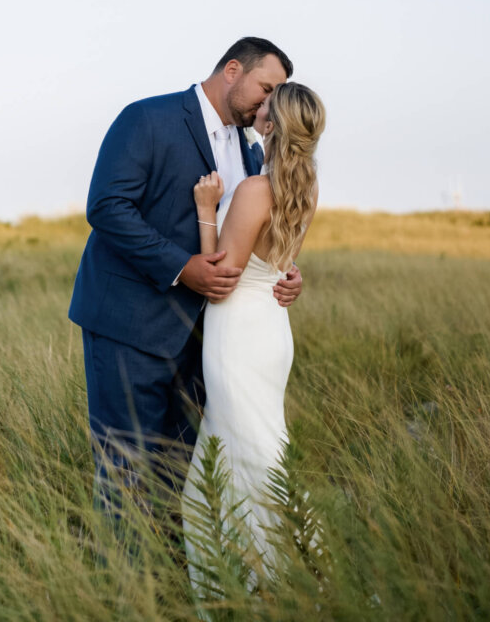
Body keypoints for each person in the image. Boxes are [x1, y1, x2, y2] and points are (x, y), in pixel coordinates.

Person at [68, 38, 304, 506]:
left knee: (184, 476)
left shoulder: (253, 153)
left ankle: (173, 576)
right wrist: (181, 267)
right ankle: (118, 580)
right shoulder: (147, 118)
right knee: (124, 471)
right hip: (130, 329)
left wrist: (284, 269)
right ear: (233, 70)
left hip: (208, 344)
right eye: (266, 87)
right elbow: (107, 206)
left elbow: (249, 232)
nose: (271, 101)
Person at [182, 81, 326, 588]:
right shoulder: (302, 190)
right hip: (270, 332)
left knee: (254, 459)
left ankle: (276, 581)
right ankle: (279, 574)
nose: (257, 105)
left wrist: (206, 208)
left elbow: (222, 279)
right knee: (259, 451)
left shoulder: (254, 190)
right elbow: (277, 263)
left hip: (238, 335)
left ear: (271, 124)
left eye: (266, 102)